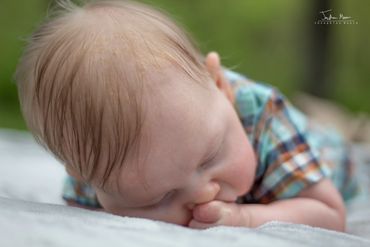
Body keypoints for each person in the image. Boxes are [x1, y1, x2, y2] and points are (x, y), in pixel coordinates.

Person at [15, 0, 358, 231]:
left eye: (211, 156)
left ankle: (344, 124)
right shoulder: (99, 164)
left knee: (345, 137)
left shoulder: (264, 115)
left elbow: (330, 213)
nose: (203, 194)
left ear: (220, 84)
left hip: (327, 153)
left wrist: (245, 216)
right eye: (160, 197)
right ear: (84, 174)